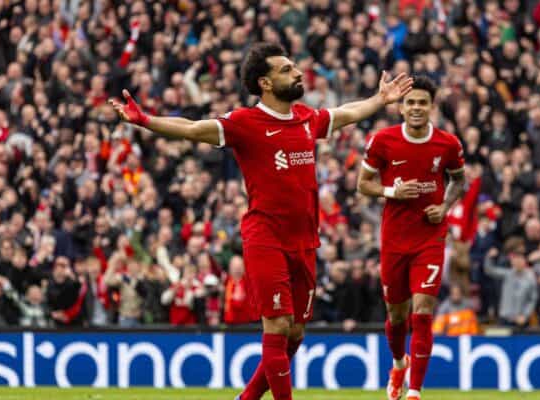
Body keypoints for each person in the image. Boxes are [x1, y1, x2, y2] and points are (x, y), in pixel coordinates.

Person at [109, 42, 413, 400]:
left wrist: (380, 100)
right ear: (265, 83)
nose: (297, 72)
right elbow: (191, 129)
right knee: (278, 325)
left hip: (305, 240)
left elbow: (345, 113)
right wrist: (144, 120)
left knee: (296, 333)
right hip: (264, 236)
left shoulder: (305, 117)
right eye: (286, 69)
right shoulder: (244, 123)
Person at [357, 76, 465, 400]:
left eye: (422, 102)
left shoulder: (448, 144)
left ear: (432, 106)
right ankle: (398, 363)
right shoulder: (382, 141)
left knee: (423, 311)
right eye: (411, 102)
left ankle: (415, 391)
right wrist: (391, 191)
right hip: (394, 239)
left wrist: (444, 206)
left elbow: (459, 182)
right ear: (401, 107)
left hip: (429, 238)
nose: (416, 108)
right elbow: (363, 184)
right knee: (397, 316)